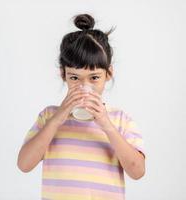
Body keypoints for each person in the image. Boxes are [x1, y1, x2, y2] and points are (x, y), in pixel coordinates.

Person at [17, 13, 146, 200]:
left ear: (108, 73)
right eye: (74, 78)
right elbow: (24, 165)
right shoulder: (48, 116)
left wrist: (107, 126)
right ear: (63, 74)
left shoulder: (120, 119)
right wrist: (56, 120)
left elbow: (138, 172)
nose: (84, 86)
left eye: (94, 78)